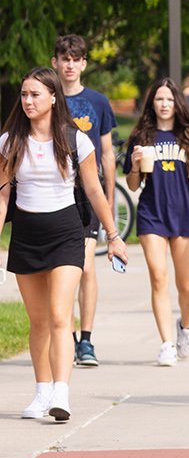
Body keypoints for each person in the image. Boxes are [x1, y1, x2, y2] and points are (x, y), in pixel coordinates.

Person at [1, 67, 128, 421]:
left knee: (60, 315)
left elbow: (93, 190)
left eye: (35, 95)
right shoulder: (10, 141)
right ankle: (41, 392)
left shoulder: (76, 140)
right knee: (37, 320)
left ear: (54, 98)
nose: (27, 101)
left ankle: (61, 393)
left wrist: (113, 236)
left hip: (67, 232)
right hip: (26, 235)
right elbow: (2, 196)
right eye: (24, 94)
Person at [124, 79, 189, 366]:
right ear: (152, 103)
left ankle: (185, 327)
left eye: (168, 99)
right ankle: (166, 343)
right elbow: (132, 184)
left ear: (177, 103)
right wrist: (137, 164)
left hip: (183, 212)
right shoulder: (141, 135)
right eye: (158, 99)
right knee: (158, 277)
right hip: (152, 213)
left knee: (186, 286)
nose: (164, 104)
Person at [50, 34, 116, 367]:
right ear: (55, 63)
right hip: (55, 193)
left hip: (88, 193)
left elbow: (107, 153)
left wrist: (111, 200)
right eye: (65, 58)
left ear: (84, 64)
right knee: (65, 271)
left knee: (86, 267)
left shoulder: (99, 102)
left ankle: (86, 340)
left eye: (76, 59)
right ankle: (68, 336)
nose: (70, 64)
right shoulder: (45, 97)